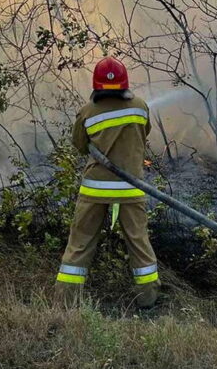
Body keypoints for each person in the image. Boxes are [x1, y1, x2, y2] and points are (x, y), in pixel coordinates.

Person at [54, 56, 159, 309]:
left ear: (96, 85)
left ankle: (66, 302)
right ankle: (148, 300)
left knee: (80, 244)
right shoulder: (140, 106)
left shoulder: (88, 111)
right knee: (139, 243)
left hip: (95, 189)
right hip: (131, 188)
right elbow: (144, 133)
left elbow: (80, 145)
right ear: (125, 83)